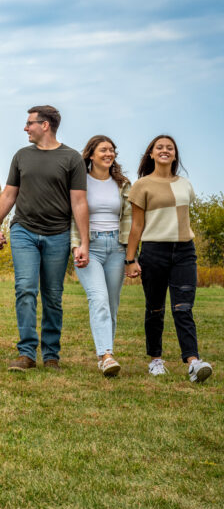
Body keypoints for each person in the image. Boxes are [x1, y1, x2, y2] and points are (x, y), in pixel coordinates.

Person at [0, 105, 89, 372]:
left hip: (57, 235)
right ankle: (26, 352)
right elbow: (10, 193)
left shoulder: (72, 158)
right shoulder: (22, 156)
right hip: (24, 231)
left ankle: (51, 354)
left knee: (53, 295)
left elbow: (79, 203)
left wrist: (84, 243)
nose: (25, 128)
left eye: (29, 123)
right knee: (25, 289)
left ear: (45, 125)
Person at [125, 135, 213, 383]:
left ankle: (193, 363)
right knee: (154, 308)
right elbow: (137, 226)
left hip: (185, 251)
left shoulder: (185, 184)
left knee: (183, 308)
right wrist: (130, 260)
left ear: (175, 155)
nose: (165, 150)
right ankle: (155, 360)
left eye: (170, 148)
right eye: (159, 147)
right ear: (151, 153)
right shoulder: (141, 185)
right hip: (154, 252)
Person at [71, 135, 131, 377]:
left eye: (112, 150)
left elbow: (130, 219)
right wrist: (77, 246)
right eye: (103, 150)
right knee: (99, 299)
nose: (109, 154)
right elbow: (72, 216)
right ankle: (106, 355)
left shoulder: (122, 184)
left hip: (116, 247)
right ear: (91, 154)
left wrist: (130, 254)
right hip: (90, 246)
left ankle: (106, 353)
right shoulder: (80, 181)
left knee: (112, 305)